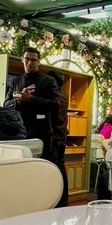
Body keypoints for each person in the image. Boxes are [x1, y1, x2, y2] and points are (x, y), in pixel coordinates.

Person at [4, 47, 60, 160]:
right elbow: (6, 104)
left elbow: (55, 104)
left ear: (39, 61)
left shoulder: (48, 81)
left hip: (40, 132)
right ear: (22, 59)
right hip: (18, 131)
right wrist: (18, 100)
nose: (29, 63)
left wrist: (31, 99)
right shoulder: (15, 81)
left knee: (40, 168)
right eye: (27, 59)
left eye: (33, 60)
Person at [47, 70, 69, 208]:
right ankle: (63, 200)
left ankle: (55, 200)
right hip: (61, 136)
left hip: (53, 138)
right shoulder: (64, 96)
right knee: (60, 168)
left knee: (54, 170)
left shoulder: (52, 98)